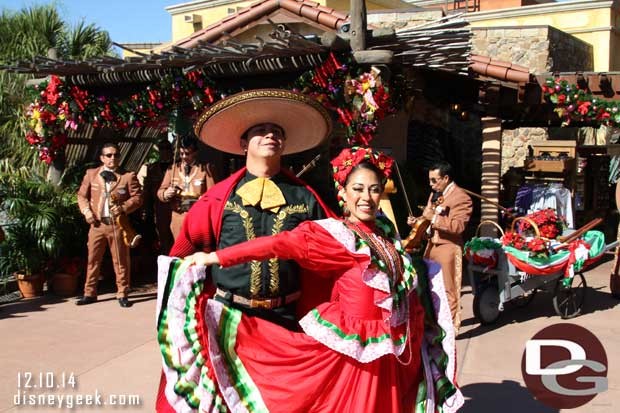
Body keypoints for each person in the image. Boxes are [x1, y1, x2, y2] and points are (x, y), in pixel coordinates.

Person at [158, 147, 463, 412]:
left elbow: (403, 280)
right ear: (342, 193)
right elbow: (275, 244)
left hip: (390, 356)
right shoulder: (337, 236)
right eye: (357, 189)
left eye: (373, 189)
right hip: (353, 358)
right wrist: (214, 258)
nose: (366, 197)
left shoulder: (384, 233)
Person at [155, 89, 335, 412]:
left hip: (285, 322)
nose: (272, 136)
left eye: (278, 133)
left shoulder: (306, 198)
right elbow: (180, 254)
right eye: (261, 131)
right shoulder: (219, 199)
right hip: (229, 320)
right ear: (243, 144)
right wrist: (178, 308)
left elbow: (336, 250)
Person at [76, 143, 143, 308]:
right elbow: (81, 196)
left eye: (116, 155)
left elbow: (137, 198)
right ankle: (89, 293)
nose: (113, 158)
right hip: (97, 224)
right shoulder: (91, 174)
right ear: (102, 158)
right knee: (93, 259)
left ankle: (122, 293)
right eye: (109, 155)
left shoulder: (128, 176)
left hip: (117, 224)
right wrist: (87, 212)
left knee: (120, 260)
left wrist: (123, 208)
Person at [408, 161, 472, 330]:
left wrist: (434, 218)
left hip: (449, 247)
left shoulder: (461, 197)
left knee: (449, 290)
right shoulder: (434, 194)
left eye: (434, 180)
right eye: (430, 180)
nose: (431, 184)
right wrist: (417, 222)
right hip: (431, 246)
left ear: (446, 178)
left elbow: (458, 227)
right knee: (429, 287)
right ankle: (433, 324)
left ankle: (451, 330)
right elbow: (427, 217)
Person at [157, 134, 217, 239]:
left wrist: (203, 200)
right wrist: (165, 194)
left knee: (196, 252)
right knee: (180, 252)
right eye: (181, 153)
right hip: (178, 218)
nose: (184, 157)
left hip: (197, 218)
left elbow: (213, 195)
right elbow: (160, 191)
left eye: (187, 153)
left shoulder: (205, 169)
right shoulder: (172, 169)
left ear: (195, 153)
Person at [140, 139, 174, 254]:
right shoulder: (152, 168)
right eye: (162, 148)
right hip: (160, 209)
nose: (164, 151)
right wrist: (146, 209)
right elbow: (147, 190)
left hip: (176, 208)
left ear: (171, 150)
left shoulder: (176, 166)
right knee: (163, 236)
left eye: (167, 148)